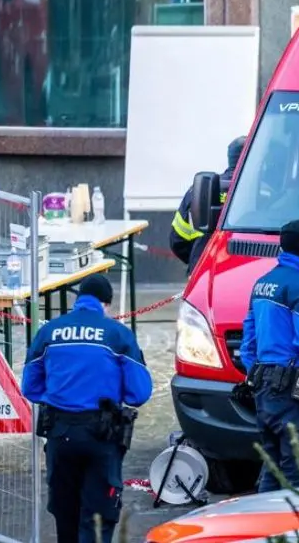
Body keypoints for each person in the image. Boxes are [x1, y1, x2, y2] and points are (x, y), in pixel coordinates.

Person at [21, 274, 152, 543]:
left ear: (79, 299)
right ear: (105, 304)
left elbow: (30, 388)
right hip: (101, 436)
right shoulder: (118, 334)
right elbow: (139, 393)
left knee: (65, 515)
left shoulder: (49, 331)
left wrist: (61, 394)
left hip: (59, 434)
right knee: (97, 519)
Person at [240, 219, 299, 492]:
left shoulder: (263, 283)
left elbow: (248, 343)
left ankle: (264, 526)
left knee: (273, 465)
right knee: (298, 471)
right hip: (293, 388)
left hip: (264, 386)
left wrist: (259, 371)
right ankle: (291, 531)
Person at [170, 136, 246, 274]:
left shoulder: (199, 189)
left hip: (202, 272)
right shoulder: (262, 193)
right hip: (243, 271)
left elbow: (178, 240)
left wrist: (198, 258)